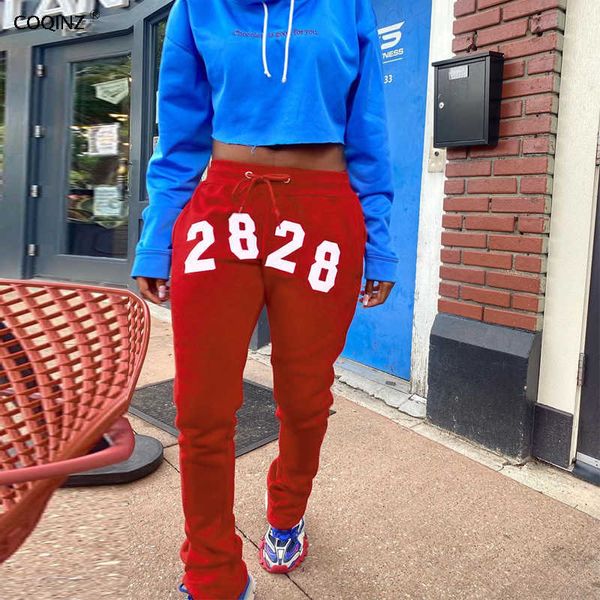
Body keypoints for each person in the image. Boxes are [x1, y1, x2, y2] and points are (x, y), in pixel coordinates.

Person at [131, 0, 398, 598]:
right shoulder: (196, 9)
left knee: (304, 395)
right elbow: (179, 135)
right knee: (200, 404)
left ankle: (287, 510)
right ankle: (211, 567)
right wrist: (157, 237)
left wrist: (379, 244)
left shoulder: (347, 7)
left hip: (324, 209)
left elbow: (368, 129)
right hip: (222, 206)